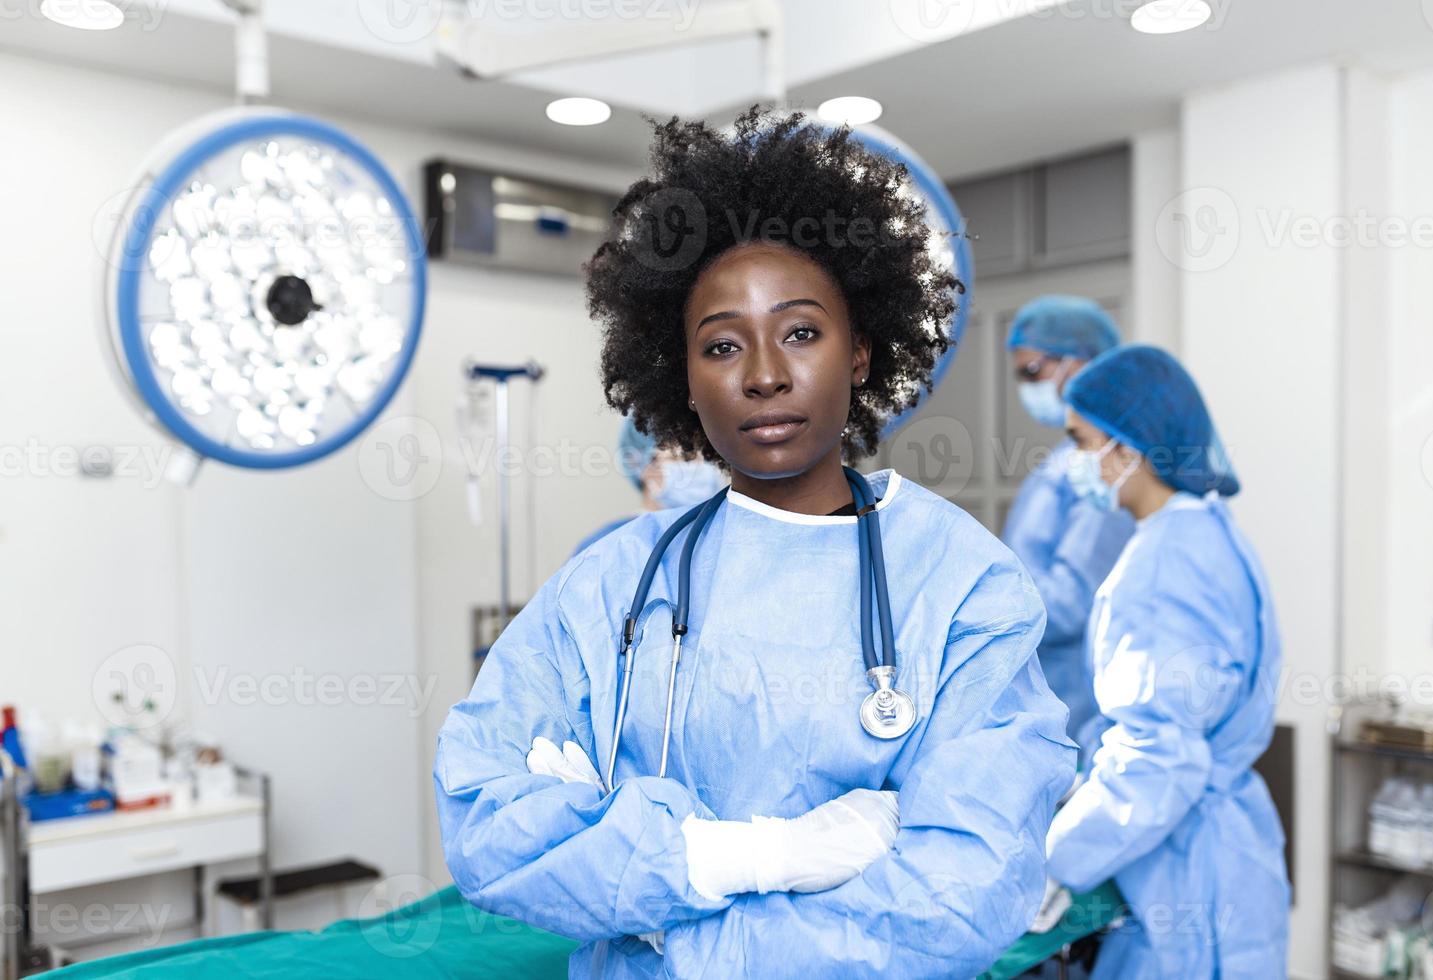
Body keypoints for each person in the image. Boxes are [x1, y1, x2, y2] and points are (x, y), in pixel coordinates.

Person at [435, 106, 1075, 978]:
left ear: (861, 353)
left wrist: (652, 904)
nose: (766, 373)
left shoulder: (961, 588)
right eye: (723, 344)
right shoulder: (617, 585)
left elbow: (963, 890)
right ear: (683, 381)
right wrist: (748, 860)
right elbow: (482, 820)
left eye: (802, 332)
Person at [1041, 345, 1289, 977]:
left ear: (1127, 448)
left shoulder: (1162, 564)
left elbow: (1160, 760)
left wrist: (1053, 861)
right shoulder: (1211, 531)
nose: (1076, 465)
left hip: (1184, 878)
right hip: (1230, 858)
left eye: (1081, 442)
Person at [1003, 295, 1134, 749]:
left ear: (1080, 365)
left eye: (1033, 371)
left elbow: (1072, 602)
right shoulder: (1068, 461)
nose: (1026, 386)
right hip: (1046, 694)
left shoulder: (1105, 467)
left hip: (1075, 704)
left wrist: (979, 608)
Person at [572, 416, 727, 556]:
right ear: (644, 466)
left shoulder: (723, 540)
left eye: (706, 457)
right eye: (684, 457)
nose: (700, 467)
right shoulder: (606, 548)